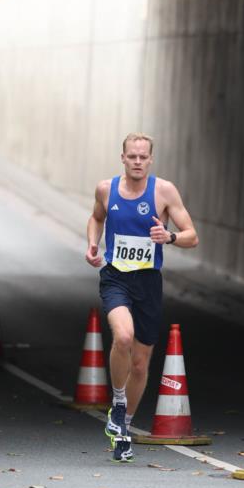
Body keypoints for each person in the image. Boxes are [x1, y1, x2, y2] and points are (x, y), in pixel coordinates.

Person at [86, 133, 199, 461]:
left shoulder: (164, 191)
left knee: (140, 363)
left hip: (148, 283)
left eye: (143, 157)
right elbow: (96, 218)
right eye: (131, 156)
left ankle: (123, 428)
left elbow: (192, 236)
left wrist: (170, 236)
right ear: (122, 157)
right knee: (123, 336)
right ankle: (118, 404)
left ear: (150, 160)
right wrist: (93, 244)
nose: (137, 161)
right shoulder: (105, 189)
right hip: (116, 278)